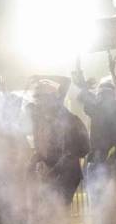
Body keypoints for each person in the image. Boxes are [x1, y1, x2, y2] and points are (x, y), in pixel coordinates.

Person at [27, 78, 89, 208]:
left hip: (67, 174)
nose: (38, 103)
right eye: (37, 99)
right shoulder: (41, 122)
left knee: (58, 211)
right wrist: (33, 164)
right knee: (49, 212)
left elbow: (77, 151)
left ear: (51, 99)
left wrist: (52, 173)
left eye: (41, 98)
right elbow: (41, 149)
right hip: (51, 173)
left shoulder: (68, 120)